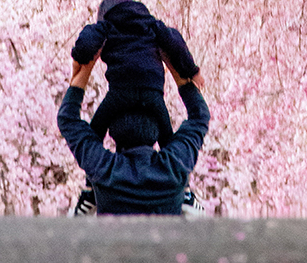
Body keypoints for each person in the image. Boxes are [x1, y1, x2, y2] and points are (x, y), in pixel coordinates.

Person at [57, 50, 210, 216]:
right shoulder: (174, 165)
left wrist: (84, 71)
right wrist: (176, 68)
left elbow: (67, 119)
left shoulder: (104, 168)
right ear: (157, 132)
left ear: (112, 133)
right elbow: (200, 116)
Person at [71, 0, 203, 147]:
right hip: (152, 91)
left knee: (93, 138)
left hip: (121, 90)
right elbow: (175, 44)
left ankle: (95, 167)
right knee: (168, 143)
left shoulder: (107, 25)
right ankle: (168, 168)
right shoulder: (151, 24)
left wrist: (79, 59)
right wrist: (192, 71)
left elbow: (87, 43)